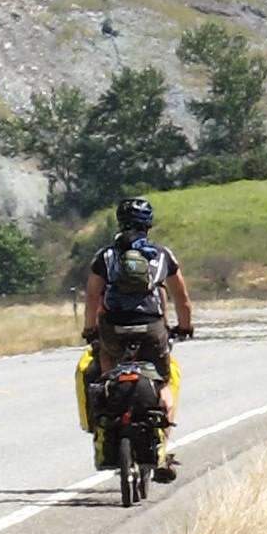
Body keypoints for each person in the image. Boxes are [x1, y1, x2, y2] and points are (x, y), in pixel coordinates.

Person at [83, 194, 194, 480]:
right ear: (149, 226)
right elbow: (181, 297)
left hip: (114, 329)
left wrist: (90, 329)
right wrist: (185, 326)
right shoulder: (162, 256)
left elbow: (93, 295)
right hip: (151, 329)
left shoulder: (105, 256)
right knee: (164, 383)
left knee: (107, 371)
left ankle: (108, 430)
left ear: (120, 223)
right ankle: (160, 452)